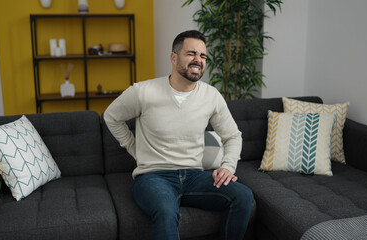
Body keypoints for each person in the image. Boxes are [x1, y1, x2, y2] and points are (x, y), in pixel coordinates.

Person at [104, 30, 254, 240]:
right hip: (153, 177)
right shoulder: (143, 92)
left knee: (244, 196)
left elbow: (232, 136)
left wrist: (227, 167)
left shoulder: (211, 96)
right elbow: (111, 116)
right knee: (166, 211)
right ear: (174, 57)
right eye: (191, 53)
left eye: (202, 56)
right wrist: (134, 148)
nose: (198, 60)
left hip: (194, 176)